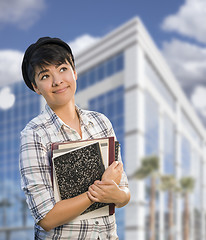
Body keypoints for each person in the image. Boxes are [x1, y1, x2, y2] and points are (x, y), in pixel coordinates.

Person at [19, 37, 130, 239]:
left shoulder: (101, 122)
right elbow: (47, 218)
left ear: (75, 72)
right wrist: (97, 193)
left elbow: (124, 193)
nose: (57, 80)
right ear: (36, 87)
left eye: (62, 69)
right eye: (45, 76)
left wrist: (116, 194)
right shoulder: (34, 134)